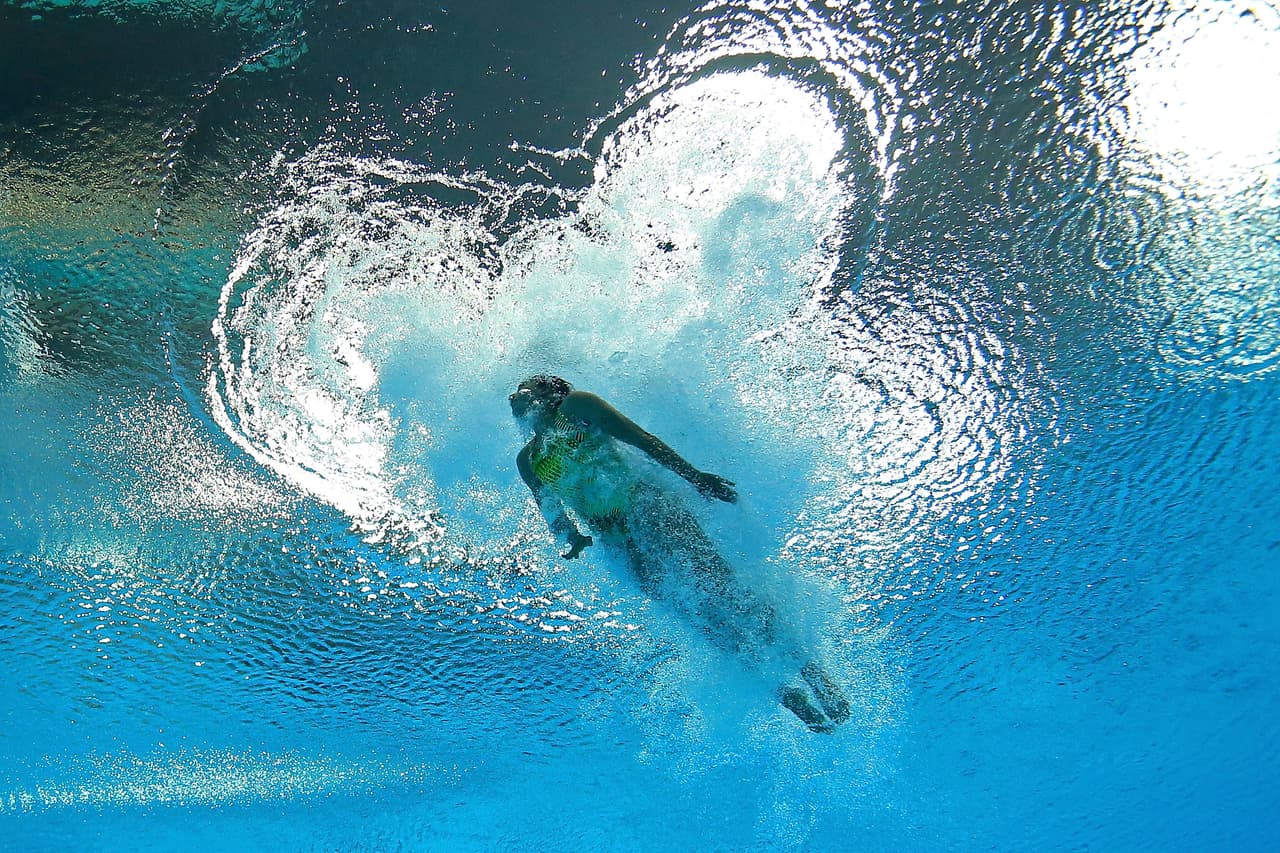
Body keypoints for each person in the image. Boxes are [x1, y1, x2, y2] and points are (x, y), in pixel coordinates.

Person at [510, 374, 850, 732]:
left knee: (728, 591)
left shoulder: (577, 406)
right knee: (701, 621)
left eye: (526, 388)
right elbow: (551, 511)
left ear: (551, 392)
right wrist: (572, 538)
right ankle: (785, 694)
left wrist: (696, 477)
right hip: (621, 546)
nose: (516, 396)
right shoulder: (528, 461)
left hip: (650, 508)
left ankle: (811, 671)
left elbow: (642, 440)